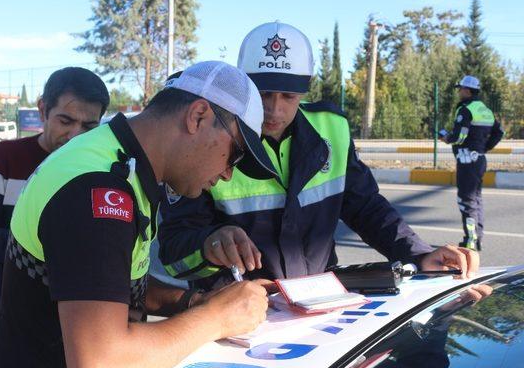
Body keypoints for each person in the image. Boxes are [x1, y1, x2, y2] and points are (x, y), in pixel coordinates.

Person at [0, 61, 274, 368]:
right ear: (197, 116)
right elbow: (102, 365)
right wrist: (217, 318)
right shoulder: (99, 190)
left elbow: (107, 283)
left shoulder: (116, 158)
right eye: (235, 154)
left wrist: (196, 301)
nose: (229, 174)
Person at [157, 22, 480, 291]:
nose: (274, 109)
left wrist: (419, 254)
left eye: (289, 95)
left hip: (324, 307)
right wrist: (210, 245)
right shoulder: (210, 139)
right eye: (263, 93)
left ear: (305, 90)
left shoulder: (333, 129)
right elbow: (174, 252)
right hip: (236, 316)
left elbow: (367, 208)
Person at [0, 67, 110, 368]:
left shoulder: (106, 169)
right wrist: (42, 247)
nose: (75, 136)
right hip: (15, 324)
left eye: (89, 126)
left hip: (84, 327)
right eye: (65, 121)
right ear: (43, 109)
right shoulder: (5, 157)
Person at [439, 75, 503, 251]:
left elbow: (459, 137)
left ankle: (470, 241)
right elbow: (500, 132)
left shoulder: (466, 109)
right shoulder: (485, 110)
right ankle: (477, 238)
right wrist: (484, 148)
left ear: (467, 90)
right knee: (476, 199)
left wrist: (446, 138)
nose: (459, 91)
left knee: (466, 201)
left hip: (467, 160)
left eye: (460, 88)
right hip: (479, 159)